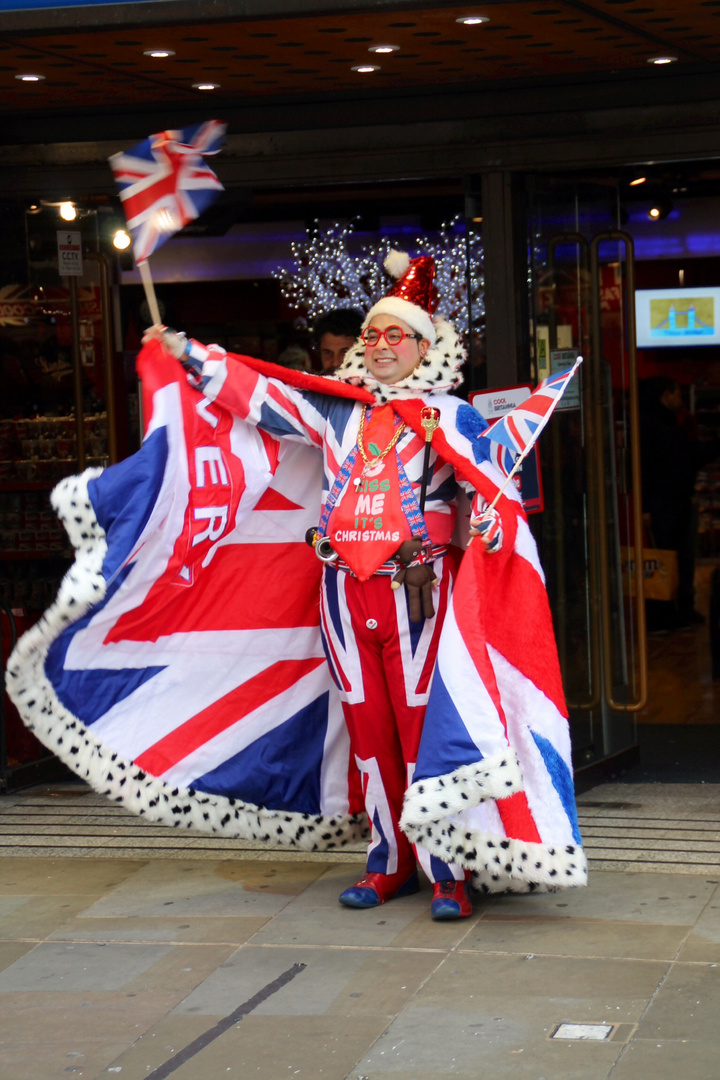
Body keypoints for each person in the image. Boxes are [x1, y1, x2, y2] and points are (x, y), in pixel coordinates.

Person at [145, 250, 583, 919]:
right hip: (345, 597)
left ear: (426, 347)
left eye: (395, 336)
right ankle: (388, 862)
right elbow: (261, 394)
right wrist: (184, 352)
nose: (379, 347)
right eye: (371, 336)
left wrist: (490, 525)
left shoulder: (451, 416)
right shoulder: (335, 412)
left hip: (420, 597)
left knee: (423, 733)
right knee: (371, 737)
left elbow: (489, 484)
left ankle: (448, 870)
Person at [639, 376, 708, 629]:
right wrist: (646, 507)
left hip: (673, 502)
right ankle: (664, 614)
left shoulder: (666, 423)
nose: (680, 398)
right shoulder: (653, 424)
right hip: (664, 504)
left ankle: (677, 611)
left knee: (678, 558)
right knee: (664, 559)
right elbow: (644, 469)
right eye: (677, 393)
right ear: (665, 395)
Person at [313, 307, 363, 373]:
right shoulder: (308, 382)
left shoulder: (377, 382)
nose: (335, 363)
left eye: (345, 352)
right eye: (328, 353)